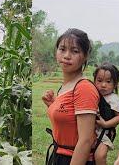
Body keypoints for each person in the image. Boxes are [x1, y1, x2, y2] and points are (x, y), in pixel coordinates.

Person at [42, 28, 99, 165]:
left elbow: (86, 141)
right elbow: (69, 121)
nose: (67, 55)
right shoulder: (65, 87)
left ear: (85, 56)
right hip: (59, 155)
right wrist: (53, 105)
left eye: (75, 51)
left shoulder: (84, 88)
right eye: (62, 49)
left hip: (74, 159)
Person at [93, 62, 119, 165]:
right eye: (99, 80)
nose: (103, 85)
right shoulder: (93, 94)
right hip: (90, 131)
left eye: (108, 81)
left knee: (100, 156)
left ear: (115, 84)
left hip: (104, 133)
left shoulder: (113, 99)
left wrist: (105, 124)